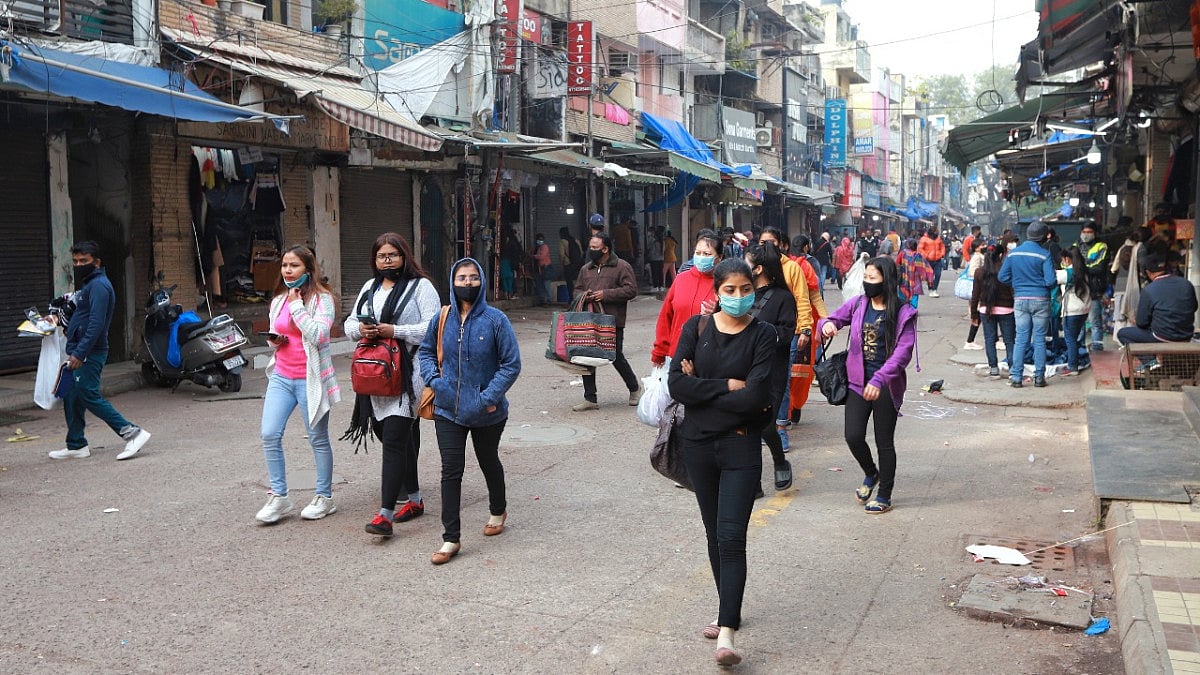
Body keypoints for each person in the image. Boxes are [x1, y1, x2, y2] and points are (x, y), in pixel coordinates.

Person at [667, 258, 778, 667]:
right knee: (714, 533)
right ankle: (725, 606)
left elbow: (756, 397)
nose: (737, 298)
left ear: (754, 289)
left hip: (740, 447)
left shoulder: (764, 334)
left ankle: (727, 630)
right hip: (698, 447)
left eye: (745, 289)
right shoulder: (695, 329)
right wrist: (725, 386)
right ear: (717, 293)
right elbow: (676, 385)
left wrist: (703, 392)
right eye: (729, 291)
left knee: (732, 537)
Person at [418, 258, 521, 565]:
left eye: (473, 277)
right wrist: (435, 381)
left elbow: (511, 364)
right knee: (451, 469)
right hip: (448, 408)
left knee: (488, 460)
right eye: (461, 277)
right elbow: (425, 351)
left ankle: (497, 507)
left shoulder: (496, 320)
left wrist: (488, 397)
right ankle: (451, 538)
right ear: (452, 281)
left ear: (482, 281)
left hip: (487, 410)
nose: (467, 283)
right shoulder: (442, 317)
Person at [344, 233, 441, 537]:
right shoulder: (369, 288)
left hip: (408, 376)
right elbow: (348, 323)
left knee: (396, 439)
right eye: (381, 256)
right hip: (375, 375)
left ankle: (384, 515)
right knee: (391, 436)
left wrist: (393, 330)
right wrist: (361, 329)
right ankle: (414, 500)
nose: (387, 261)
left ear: (405, 256)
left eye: (393, 255)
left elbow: (434, 326)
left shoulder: (420, 287)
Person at [818, 256, 918, 515]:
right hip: (856, 383)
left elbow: (902, 354)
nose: (867, 283)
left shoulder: (903, 312)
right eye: (866, 277)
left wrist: (879, 379)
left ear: (887, 280)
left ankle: (884, 494)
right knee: (853, 436)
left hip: (886, 385)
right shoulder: (859, 304)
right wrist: (827, 324)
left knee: (885, 442)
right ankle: (870, 473)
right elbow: (831, 319)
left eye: (873, 278)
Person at [255, 245, 342, 523]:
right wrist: (274, 339)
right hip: (282, 375)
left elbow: (317, 335)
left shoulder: (323, 300)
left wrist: (296, 306)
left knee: (317, 438)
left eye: (294, 266)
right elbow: (277, 332)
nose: (288, 271)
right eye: (284, 266)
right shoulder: (279, 300)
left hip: (310, 378)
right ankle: (279, 496)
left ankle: (324, 497)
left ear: (308, 269)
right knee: (269, 434)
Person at [48, 241, 153, 461]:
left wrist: (80, 353)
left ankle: (133, 433)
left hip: (90, 352)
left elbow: (96, 324)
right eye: (75, 261)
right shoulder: (89, 285)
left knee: (88, 394)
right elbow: (80, 315)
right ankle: (76, 444)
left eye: (83, 261)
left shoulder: (99, 286)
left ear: (96, 262)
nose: (78, 265)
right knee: (71, 395)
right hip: (81, 349)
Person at [744, 244, 796, 492]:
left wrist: (762, 335)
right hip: (740, 371)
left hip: (769, 375)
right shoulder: (741, 294)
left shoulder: (783, 298)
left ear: (759, 268)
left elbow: (786, 334)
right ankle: (752, 481)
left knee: (764, 426)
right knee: (746, 427)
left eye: (747, 263)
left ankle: (779, 459)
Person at [573, 233, 642, 410]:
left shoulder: (621, 266)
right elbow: (577, 290)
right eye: (591, 247)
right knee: (585, 356)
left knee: (615, 356)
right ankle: (590, 398)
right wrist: (584, 296)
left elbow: (631, 290)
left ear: (605, 249)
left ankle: (634, 389)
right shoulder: (585, 269)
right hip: (589, 320)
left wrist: (606, 294)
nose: (591, 250)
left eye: (595, 248)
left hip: (612, 321)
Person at [998, 221, 1056, 388]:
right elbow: (1051, 281)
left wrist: (1017, 283)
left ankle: (1016, 377)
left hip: (1020, 300)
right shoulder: (1044, 254)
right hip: (1041, 300)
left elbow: (1002, 277)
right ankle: (1039, 378)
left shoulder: (1013, 254)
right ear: (1045, 237)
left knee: (1021, 338)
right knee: (1039, 339)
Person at [652, 230, 722, 368]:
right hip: (676, 356)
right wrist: (659, 351)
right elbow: (666, 317)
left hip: (709, 360)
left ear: (719, 257)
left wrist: (718, 311)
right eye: (698, 253)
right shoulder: (681, 279)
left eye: (707, 254)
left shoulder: (724, 284)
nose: (701, 257)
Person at [1116, 253, 1198, 346]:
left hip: (1162, 338)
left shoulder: (1149, 290)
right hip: (1186, 337)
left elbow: (1141, 323)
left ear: (1148, 272)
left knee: (1123, 334)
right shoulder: (1186, 283)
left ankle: (1150, 361)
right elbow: (1194, 307)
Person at [971, 246, 1015, 378]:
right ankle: (1013, 367)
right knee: (1009, 340)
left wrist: (974, 315)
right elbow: (1013, 291)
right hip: (1007, 309)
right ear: (1001, 256)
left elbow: (975, 296)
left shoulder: (979, 272)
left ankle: (994, 367)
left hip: (986, 310)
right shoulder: (1006, 271)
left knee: (990, 339)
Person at [1056, 247, 1092, 377]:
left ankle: (1073, 366)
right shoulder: (1084, 272)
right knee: (1075, 338)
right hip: (1084, 310)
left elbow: (1051, 279)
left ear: (1067, 259)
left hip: (1071, 311)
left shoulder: (1066, 273)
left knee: (1070, 339)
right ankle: (1075, 361)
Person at [1076, 221, 1110, 351]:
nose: (1086, 235)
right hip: (1080, 290)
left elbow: (1099, 268)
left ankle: (1097, 345)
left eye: (1089, 232)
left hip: (1095, 289)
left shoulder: (1101, 247)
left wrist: (1081, 269)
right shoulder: (1076, 246)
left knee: (1095, 320)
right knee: (1079, 321)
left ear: (1095, 233)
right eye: (1084, 232)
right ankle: (1079, 346)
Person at [895, 239, 932, 308]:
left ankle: (903, 308)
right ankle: (913, 309)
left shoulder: (902, 253)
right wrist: (927, 278)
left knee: (902, 293)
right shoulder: (918, 255)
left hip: (904, 277)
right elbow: (924, 267)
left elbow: (896, 263)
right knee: (915, 294)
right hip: (915, 279)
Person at [917, 228, 946, 297]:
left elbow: (942, 246)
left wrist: (942, 253)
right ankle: (931, 289)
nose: (937, 233)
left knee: (938, 274)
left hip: (938, 259)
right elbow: (920, 248)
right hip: (928, 260)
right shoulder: (924, 239)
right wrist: (926, 255)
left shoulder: (938, 238)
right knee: (929, 276)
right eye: (935, 231)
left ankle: (935, 289)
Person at [559, 226, 583, 301]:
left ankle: (571, 300)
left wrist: (562, 264)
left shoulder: (562, 241)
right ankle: (579, 299)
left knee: (570, 284)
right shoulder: (576, 240)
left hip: (568, 265)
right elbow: (581, 252)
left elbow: (561, 255)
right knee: (578, 283)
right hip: (578, 265)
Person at [530, 232, 552, 304]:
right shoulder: (536, 247)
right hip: (538, 269)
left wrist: (534, 256)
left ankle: (549, 300)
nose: (540, 241)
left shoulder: (544, 247)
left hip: (545, 268)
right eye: (538, 239)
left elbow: (541, 256)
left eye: (541, 239)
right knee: (540, 285)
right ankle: (542, 300)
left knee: (546, 284)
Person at [646, 227, 665, 292]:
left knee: (655, 273)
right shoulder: (662, 242)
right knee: (660, 273)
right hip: (661, 259)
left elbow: (651, 251)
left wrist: (648, 257)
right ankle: (661, 286)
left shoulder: (654, 242)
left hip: (654, 259)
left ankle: (655, 286)